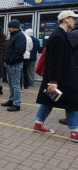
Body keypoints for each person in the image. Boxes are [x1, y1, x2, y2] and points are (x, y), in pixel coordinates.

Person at [32, 10, 78, 142]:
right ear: (66, 20)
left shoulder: (61, 34)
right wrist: (53, 81)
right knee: (72, 103)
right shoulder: (58, 36)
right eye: (73, 18)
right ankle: (75, 132)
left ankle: (38, 124)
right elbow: (54, 60)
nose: (75, 20)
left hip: (59, 77)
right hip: (60, 78)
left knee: (49, 100)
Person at [1, 19, 26, 112]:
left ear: (14, 27)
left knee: (16, 85)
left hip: (14, 64)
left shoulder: (19, 36)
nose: (8, 29)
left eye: (9, 27)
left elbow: (19, 50)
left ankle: (17, 104)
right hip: (9, 63)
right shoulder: (14, 35)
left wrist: (11, 60)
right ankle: (11, 100)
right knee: (11, 83)